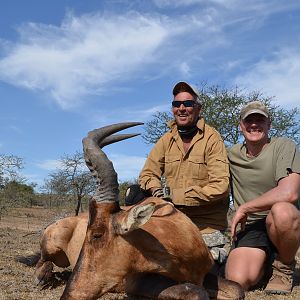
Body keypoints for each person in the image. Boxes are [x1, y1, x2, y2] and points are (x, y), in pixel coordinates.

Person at [138, 81, 230, 266]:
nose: (181, 108)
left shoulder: (213, 138)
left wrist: (174, 196)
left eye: (187, 104)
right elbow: (147, 174)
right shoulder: (166, 139)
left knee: (200, 267)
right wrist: (156, 191)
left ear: (198, 108)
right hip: (172, 220)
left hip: (205, 225)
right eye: (176, 104)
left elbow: (220, 186)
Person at [225, 101, 300, 294]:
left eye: (260, 120)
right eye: (249, 120)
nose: (254, 125)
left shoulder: (284, 145)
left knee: (281, 211)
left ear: (269, 124)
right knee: (237, 281)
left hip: (280, 223)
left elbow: (289, 192)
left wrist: (244, 208)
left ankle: (283, 266)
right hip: (250, 226)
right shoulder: (230, 154)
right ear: (241, 126)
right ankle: (266, 263)